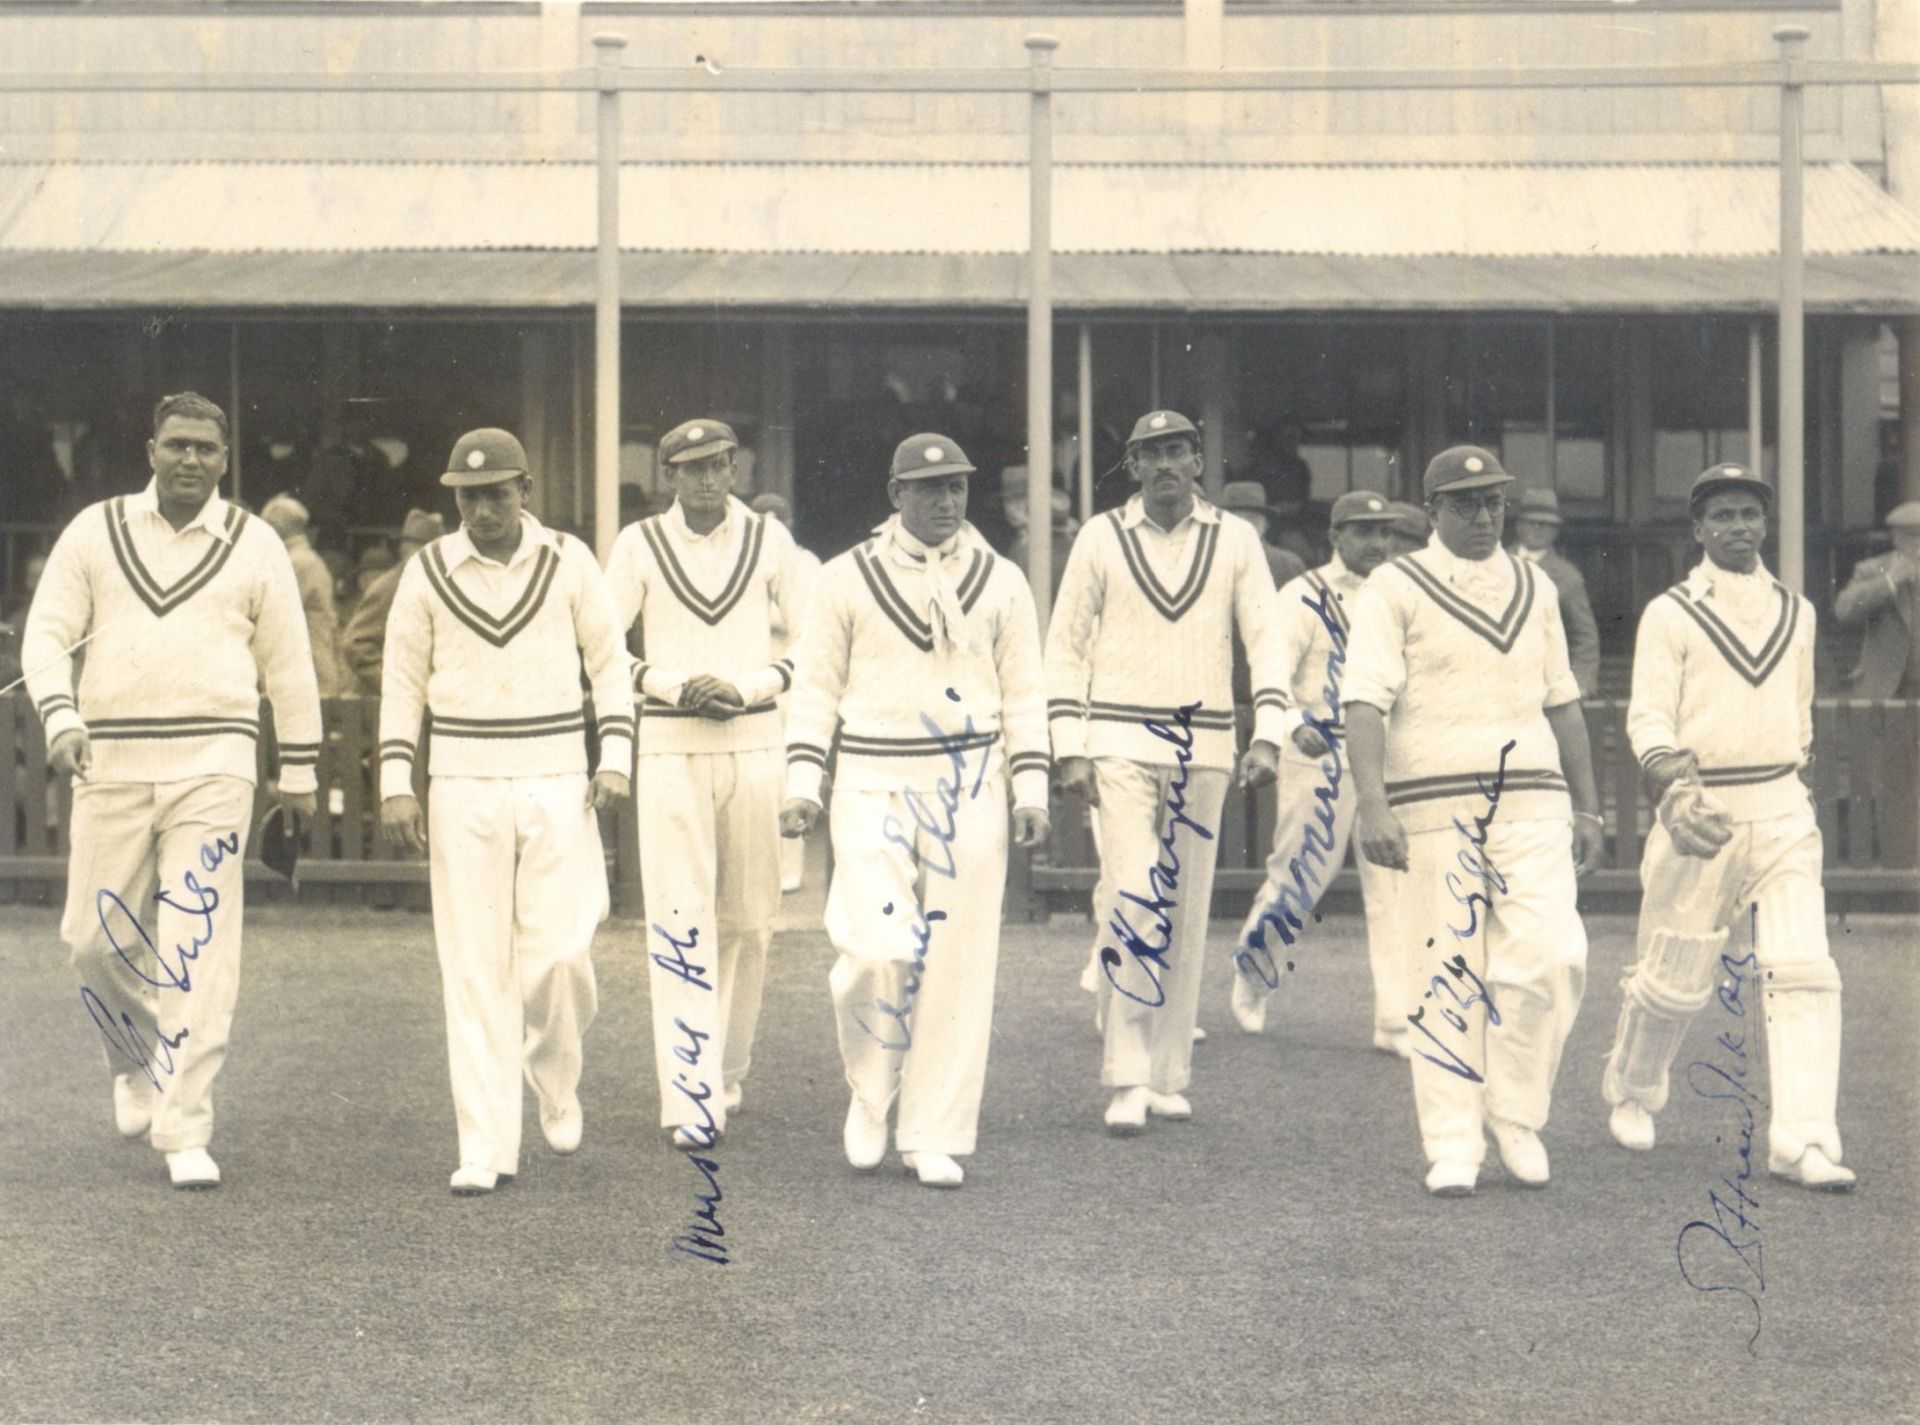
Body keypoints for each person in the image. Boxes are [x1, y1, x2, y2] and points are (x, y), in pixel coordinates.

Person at [23, 391, 321, 1190]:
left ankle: (185, 1122)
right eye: (177, 444)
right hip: (109, 761)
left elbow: (289, 663)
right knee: (91, 937)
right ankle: (135, 1052)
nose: (191, 459)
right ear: (151, 449)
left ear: (226, 460)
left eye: (207, 449)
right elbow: (47, 632)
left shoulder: (256, 543)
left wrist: (298, 773)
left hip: (216, 762)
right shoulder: (96, 529)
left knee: (198, 940)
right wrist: (61, 716)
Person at [779, 433, 1050, 1189]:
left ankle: (933, 1128)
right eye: (930, 490)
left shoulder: (1002, 580)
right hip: (870, 780)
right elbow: (815, 689)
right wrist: (802, 781)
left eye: (958, 488)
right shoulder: (843, 579)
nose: (946, 503)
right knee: (875, 950)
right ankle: (872, 1091)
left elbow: (1027, 690)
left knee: (959, 963)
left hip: (971, 782)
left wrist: (1030, 789)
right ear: (896, 495)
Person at [377, 428, 634, 1195]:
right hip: (462, 776)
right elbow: (402, 680)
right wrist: (397, 777)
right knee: (475, 966)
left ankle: (555, 1075)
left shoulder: (569, 560)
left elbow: (609, 662)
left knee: (559, 953)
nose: (482, 509)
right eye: (468, 495)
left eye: (496, 493)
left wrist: (614, 756)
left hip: (558, 773)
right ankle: (485, 1143)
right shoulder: (426, 571)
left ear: (525, 489)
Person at [1345, 445, 1603, 1198]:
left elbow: (1562, 700)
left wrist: (1586, 804)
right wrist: (1373, 802)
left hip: (1533, 798)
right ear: (1433, 511)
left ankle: (1515, 1111)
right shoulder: (1394, 586)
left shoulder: (1539, 586)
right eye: (1466, 504)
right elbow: (1365, 701)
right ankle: (1453, 1142)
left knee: (1553, 956)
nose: (1484, 515)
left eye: (1493, 501)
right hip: (1432, 803)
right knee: (1445, 974)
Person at [1599, 464, 1854, 1191]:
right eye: (1725, 516)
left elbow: (1799, 710)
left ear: (1765, 524)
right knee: (1674, 970)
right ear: (1699, 529)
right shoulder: (1671, 613)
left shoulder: (1796, 611)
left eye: (1751, 514)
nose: (1740, 527)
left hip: (1780, 807)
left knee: (1803, 968)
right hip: (1701, 808)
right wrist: (1675, 788)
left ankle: (1803, 1139)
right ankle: (1635, 1087)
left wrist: (1791, 778)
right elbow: (1648, 713)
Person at [1046, 409, 1284, 1136]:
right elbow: (1065, 645)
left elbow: (1266, 639)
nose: (1167, 466)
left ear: (1197, 461)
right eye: (1152, 454)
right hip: (1116, 737)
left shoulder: (1235, 539)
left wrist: (1269, 733)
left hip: (1204, 743)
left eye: (1179, 451)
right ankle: (1125, 1072)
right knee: (1133, 898)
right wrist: (1069, 743)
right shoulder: (1100, 536)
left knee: (1182, 911)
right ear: (1134, 465)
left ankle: (1167, 1073)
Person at [604, 419, 801, 1150]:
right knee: (680, 919)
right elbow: (598, 645)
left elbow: (815, 645)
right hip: (670, 745)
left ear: (736, 468)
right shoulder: (638, 545)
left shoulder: (770, 541)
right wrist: (668, 684)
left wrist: (752, 686)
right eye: (691, 469)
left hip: (755, 743)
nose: (708, 479)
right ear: (669, 476)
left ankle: (729, 1064)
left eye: (719, 465)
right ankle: (690, 1089)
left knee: (750, 919)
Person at [1229, 490, 1406, 1055]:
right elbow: (1272, 672)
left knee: (1395, 890)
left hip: (1386, 755)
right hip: (1322, 751)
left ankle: (1396, 1020)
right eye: (1363, 532)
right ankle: (1253, 976)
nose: (1377, 544)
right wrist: (1291, 719)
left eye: (1384, 534)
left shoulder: (1404, 593)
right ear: (1336, 537)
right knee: (1299, 879)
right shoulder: (1302, 595)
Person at [750, 491, 823, 893]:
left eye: (779, 521)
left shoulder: (806, 563)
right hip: (753, 680)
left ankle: (790, 871)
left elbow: (807, 621)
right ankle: (760, 870)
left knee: (790, 777)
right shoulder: (744, 561)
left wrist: (768, 617)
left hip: (792, 685)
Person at [1509, 487, 1602, 698]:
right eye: (1533, 522)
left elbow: (1585, 636)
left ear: (1556, 531)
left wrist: (1580, 685)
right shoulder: (1496, 565)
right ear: (1519, 525)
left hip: (1545, 685)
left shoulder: (1567, 577)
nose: (1539, 529)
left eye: (1547, 525)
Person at [340, 509, 443, 696]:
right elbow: (355, 644)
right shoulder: (390, 587)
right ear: (404, 549)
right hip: (380, 703)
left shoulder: (423, 583)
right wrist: (394, 685)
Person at [261, 495, 348, 699]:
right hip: (312, 672)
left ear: (276, 528)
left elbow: (269, 621)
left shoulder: (294, 563)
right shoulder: (305, 560)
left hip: (306, 676)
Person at [1832, 499, 1920, 698]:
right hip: (1883, 690)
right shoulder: (1872, 569)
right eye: (1913, 537)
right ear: (1896, 538)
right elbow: (1844, 611)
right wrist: (1890, 580)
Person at [1215, 480, 1308, 588]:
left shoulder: (1287, 565)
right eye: (1235, 519)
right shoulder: (1206, 562)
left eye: (1251, 518)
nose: (1243, 526)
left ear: (1266, 525)